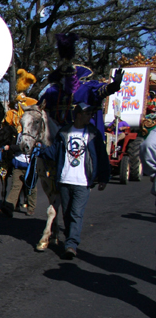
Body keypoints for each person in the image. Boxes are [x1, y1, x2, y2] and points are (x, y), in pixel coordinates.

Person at [39, 102, 109, 259]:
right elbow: (54, 151)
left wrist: (103, 177)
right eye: (87, 114)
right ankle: (70, 239)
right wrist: (38, 150)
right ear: (78, 115)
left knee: (76, 213)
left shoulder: (93, 134)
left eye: (91, 114)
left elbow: (102, 156)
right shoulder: (65, 132)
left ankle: (71, 245)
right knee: (67, 213)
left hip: (83, 182)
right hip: (65, 180)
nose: (90, 117)